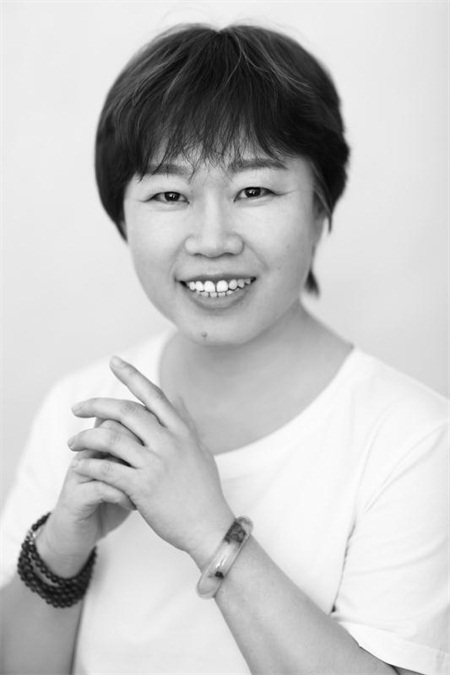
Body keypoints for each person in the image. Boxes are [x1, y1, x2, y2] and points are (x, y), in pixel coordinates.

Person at [1, 23, 448, 675]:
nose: (212, 239)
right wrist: (59, 551)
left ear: (320, 205)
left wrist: (208, 527)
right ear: (123, 218)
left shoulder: (413, 439)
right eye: (170, 195)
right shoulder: (81, 408)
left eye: (254, 191)